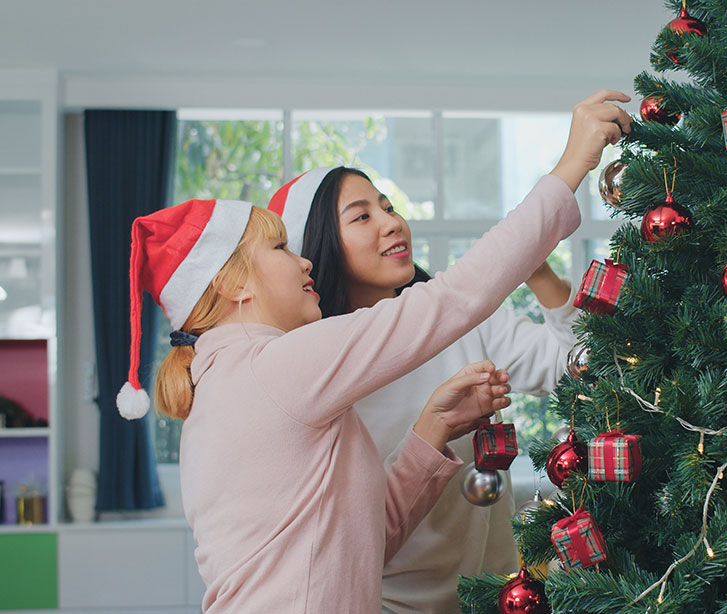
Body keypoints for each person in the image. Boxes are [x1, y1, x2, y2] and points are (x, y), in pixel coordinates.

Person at [116, 89, 631, 613]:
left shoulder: (237, 376)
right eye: (278, 249)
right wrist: (571, 167)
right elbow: (453, 299)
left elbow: (365, 540)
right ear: (234, 285)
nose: (302, 265)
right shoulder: (275, 366)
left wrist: (432, 430)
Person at [268, 95, 633, 612]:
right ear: (322, 246)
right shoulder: (320, 366)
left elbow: (579, 366)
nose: (391, 223)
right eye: (362, 216)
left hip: (503, 597)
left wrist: (542, 275)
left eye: (389, 206)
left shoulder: (463, 319)